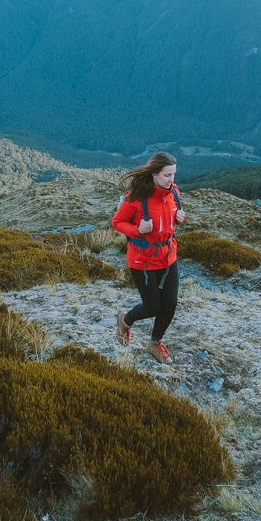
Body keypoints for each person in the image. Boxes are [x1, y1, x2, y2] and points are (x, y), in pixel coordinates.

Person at [111, 151, 185, 364]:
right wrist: (138, 229)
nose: (172, 180)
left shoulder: (174, 193)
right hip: (142, 260)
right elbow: (117, 223)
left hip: (168, 257)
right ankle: (125, 320)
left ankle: (155, 343)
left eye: (173, 174)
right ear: (154, 174)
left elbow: (167, 222)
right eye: (167, 175)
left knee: (170, 304)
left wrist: (179, 219)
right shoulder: (135, 197)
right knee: (153, 307)